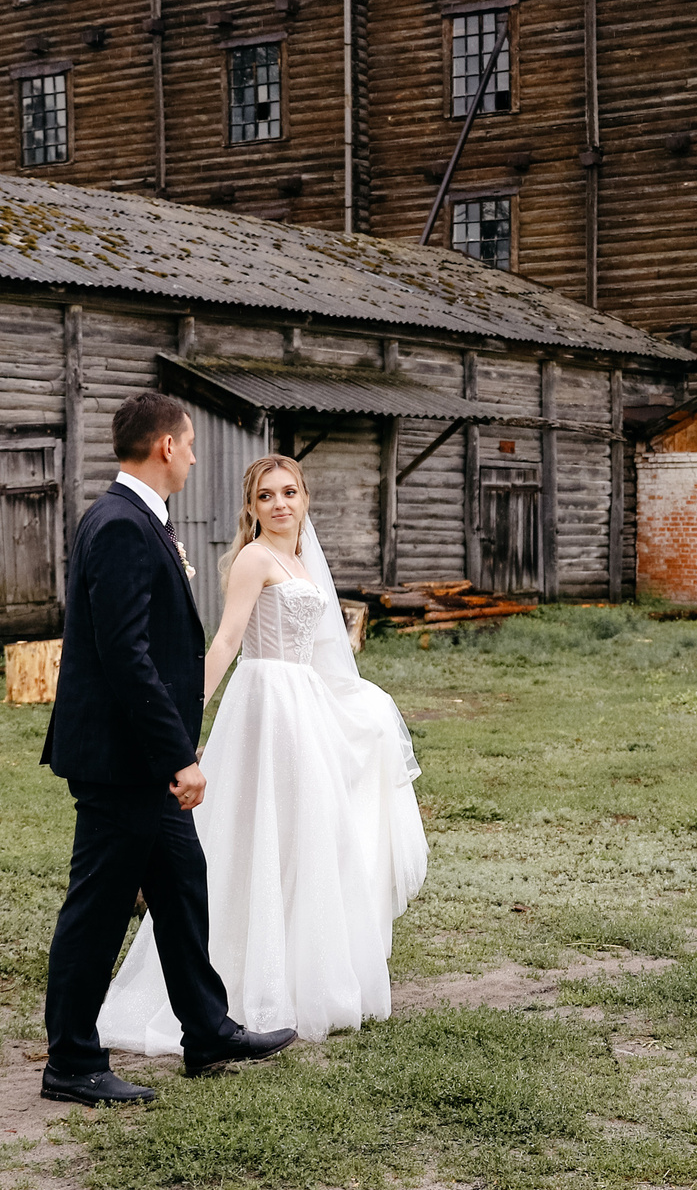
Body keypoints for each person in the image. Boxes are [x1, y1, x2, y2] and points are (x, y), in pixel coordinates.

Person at [96, 453, 428, 1057]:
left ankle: (303, 978)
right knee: (259, 832)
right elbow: (226, 640)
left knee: (307, 835)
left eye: (290, 493)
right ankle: (236, 988)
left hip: (305, 703)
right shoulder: (254, 558)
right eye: (267, 496)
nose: (280, 504)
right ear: (251, 507)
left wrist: (354, 704)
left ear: (305, 499)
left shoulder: (303, 560)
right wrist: (182, 720)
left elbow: (322, 649)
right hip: (265, 701)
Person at [38, 392, 297, 1106]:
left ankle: (207, 1031)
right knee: (97, 907)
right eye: (189, 444)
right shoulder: (122, 524)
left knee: (183, 886)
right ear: (165, 447)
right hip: (123, 761)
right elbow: (126, 656)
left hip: (141, 759)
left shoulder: (134, 518)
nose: (192, 457)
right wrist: (178, 754)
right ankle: (71, 1061)